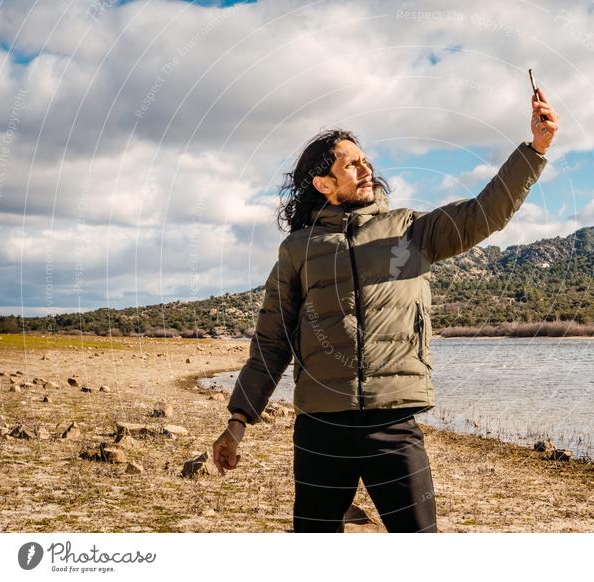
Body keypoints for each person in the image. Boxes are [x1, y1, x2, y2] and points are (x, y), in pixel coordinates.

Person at [212, 88, 559, 533]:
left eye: (365, 159)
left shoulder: (412, 230)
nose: (366, 167)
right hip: (321, 428)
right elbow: (272, 341)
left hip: (394, 423)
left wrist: (535, 150)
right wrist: (238, 422)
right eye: (350, 163)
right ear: (324, 184)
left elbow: (483, 213)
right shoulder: (298, 250)